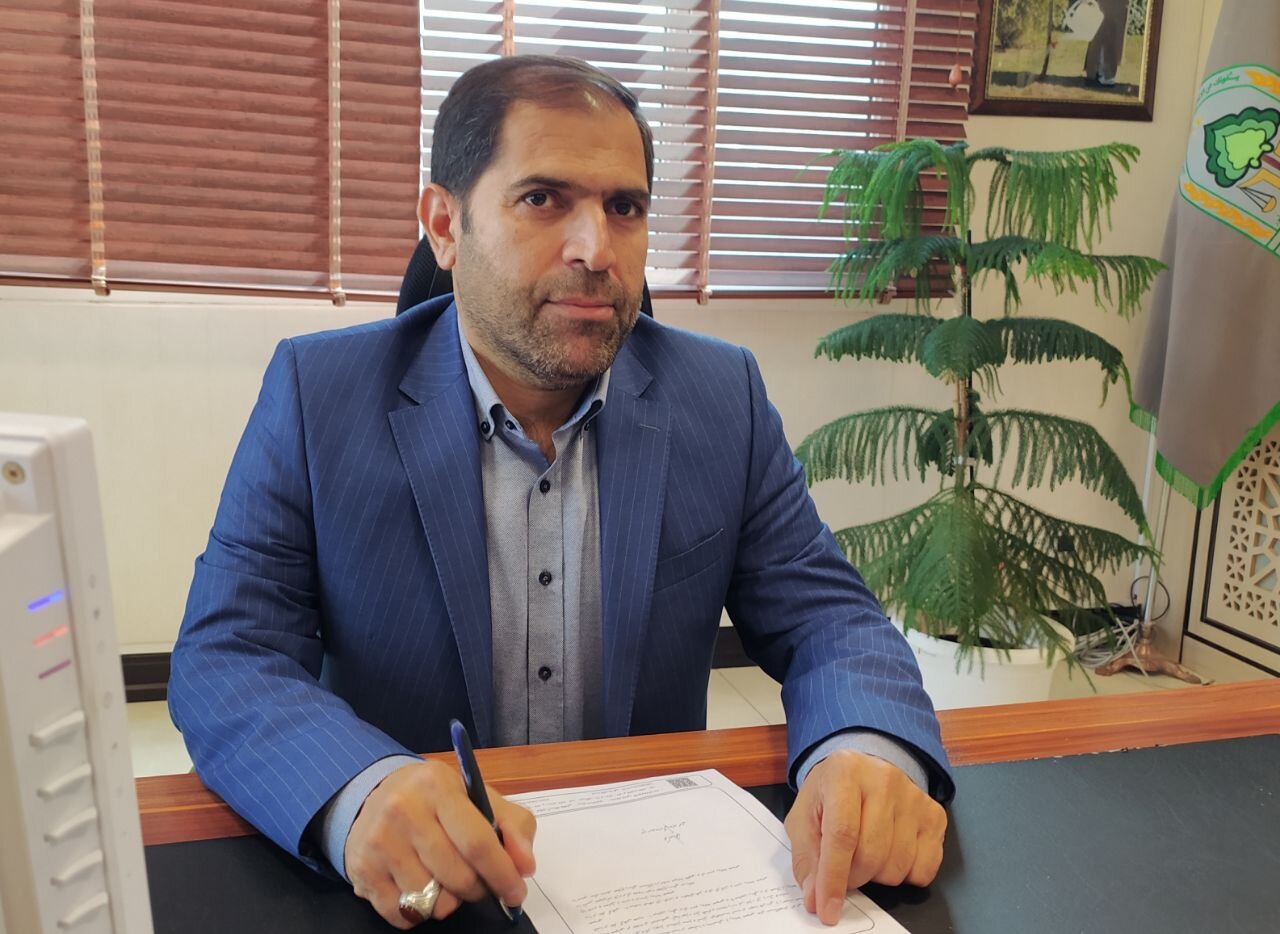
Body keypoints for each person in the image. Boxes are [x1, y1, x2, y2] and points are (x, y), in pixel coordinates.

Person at [169, 55, 954, 930]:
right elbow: (228, 656)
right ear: (445, 226)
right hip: (430, 899)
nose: (596, 249)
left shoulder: (719, 397)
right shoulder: (320, 396)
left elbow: (830, 619)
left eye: (625, 208)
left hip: (658, 886)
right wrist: (361, 790)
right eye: (543, 199)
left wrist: (865, 748)